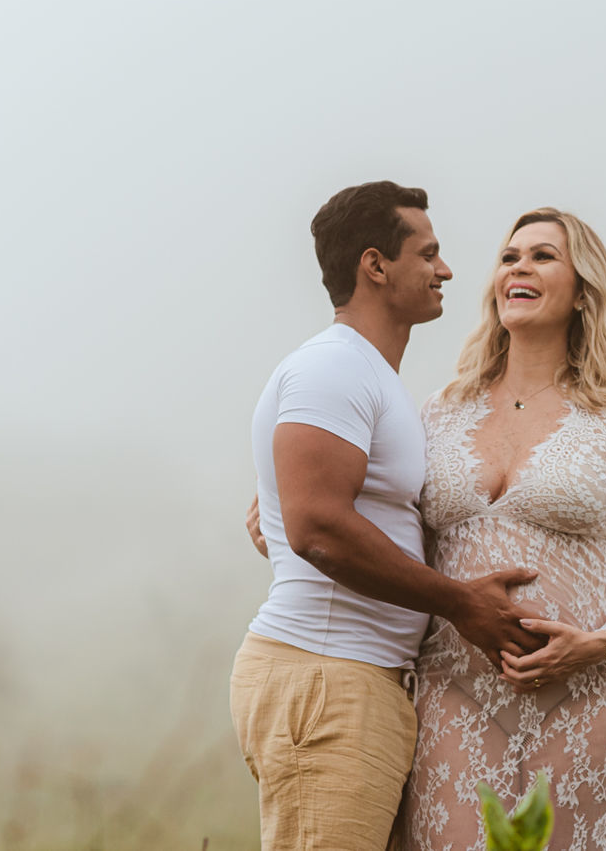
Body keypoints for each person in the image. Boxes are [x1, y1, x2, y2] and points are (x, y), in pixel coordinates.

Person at [231, 181, 545, 851]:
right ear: (376, 265)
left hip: (355, 681)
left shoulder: (370, 378)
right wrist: (460, 602)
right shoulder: (333, 370)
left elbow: (308, 510)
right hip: (328, 677)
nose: (447, 270)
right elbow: (317, 526)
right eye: (428, 253)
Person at [398, 208, 606, 851]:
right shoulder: (436, 414)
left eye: (542, 256)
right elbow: (382, 525)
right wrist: (281, 510)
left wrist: (600, 645)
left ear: (582, 291)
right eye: (510, 257)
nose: (520, 268)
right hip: (455, 697)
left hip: (591, 702)